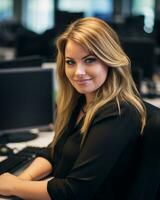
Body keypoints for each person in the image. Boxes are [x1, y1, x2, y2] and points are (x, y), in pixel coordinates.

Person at [0, 17, 146, 200]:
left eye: (90, 60)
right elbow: (55, 151)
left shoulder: (119, 112)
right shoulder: (81, 101)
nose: (78, 72)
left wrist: (15, 187)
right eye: (70, 62)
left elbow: (75, 191)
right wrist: (23, 179)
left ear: (109, 60)